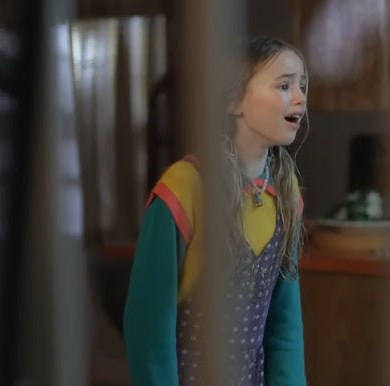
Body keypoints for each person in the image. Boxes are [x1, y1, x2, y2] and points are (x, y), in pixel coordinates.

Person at [123, 36, 309, 386]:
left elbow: (285, 326)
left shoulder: (287, 196)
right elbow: (148, 330)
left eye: (302, 85)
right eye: (285, 85)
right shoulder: (184, 190)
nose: (300, 97)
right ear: (234, 99)